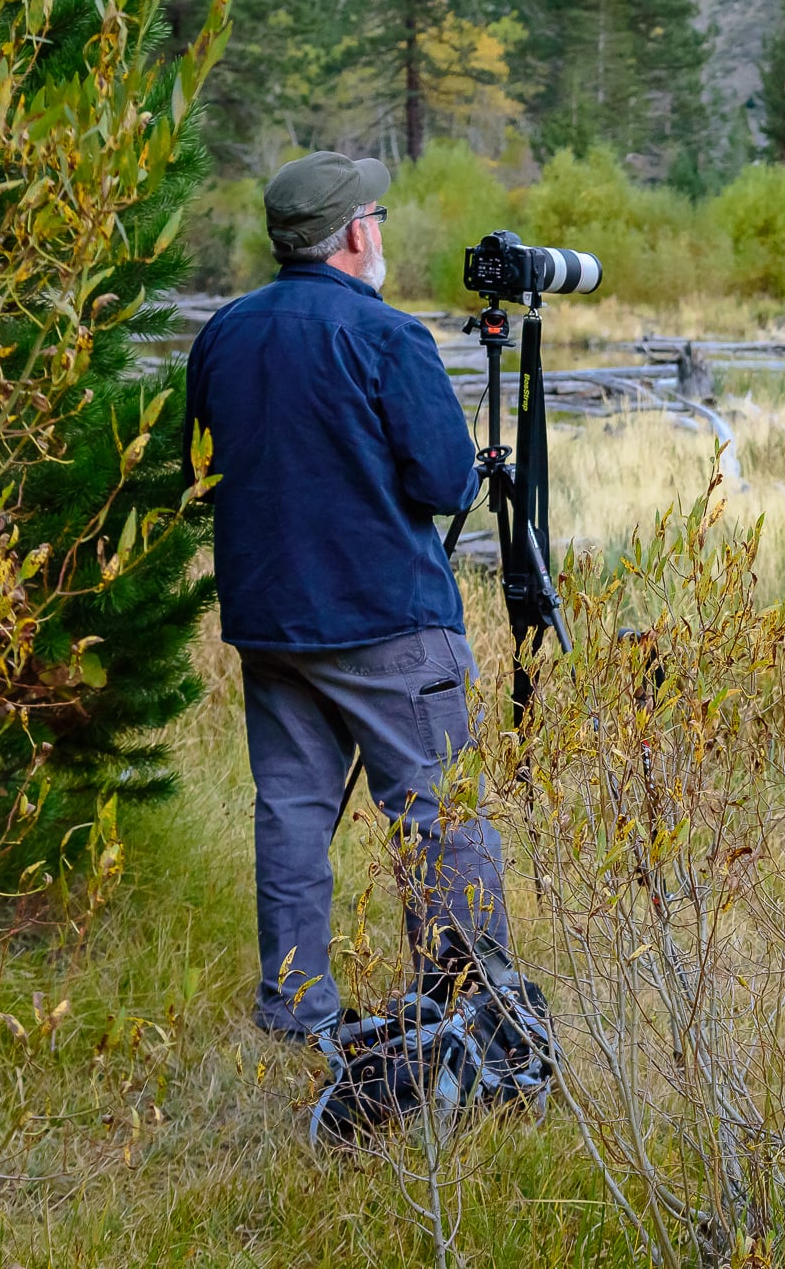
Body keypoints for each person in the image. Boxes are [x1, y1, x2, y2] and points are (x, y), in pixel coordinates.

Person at [184, 151, 508, 1046]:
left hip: (270, 620)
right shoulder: (386, 335)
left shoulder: (223, 334)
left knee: (289, 810)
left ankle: (296, 1014)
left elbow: (199, 474)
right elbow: (447, 480)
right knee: (439, 814)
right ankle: (472, 1010)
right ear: (358, 233)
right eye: (380, 219)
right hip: (386, 619)